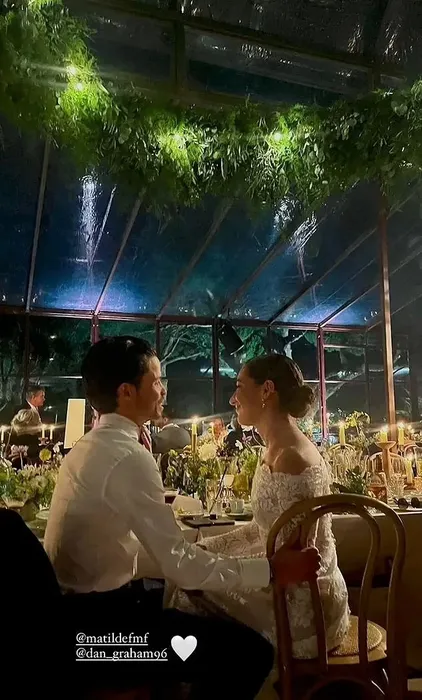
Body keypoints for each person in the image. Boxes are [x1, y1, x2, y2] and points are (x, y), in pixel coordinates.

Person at [44, 337, 320, 699]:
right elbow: (180, 565)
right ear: (126, 392)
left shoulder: (92, 446)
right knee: (249, 653)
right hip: (102, 636)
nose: (163, 391)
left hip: (79, 618)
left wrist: (197, 557)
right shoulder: (126, 456)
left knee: (186, 598)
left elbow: (150, 555)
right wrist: (270, 570)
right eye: (156, 381)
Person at [171, 354, 349, 660]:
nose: (233, 399)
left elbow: (292, 558)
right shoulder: (275, 448)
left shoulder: (291, 457)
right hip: (290, 582)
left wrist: (213, 564)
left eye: (239, 386)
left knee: (189, 586)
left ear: (267, 390)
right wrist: (209, 548)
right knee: (195, 567)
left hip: (303, 605)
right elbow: (265, 530)